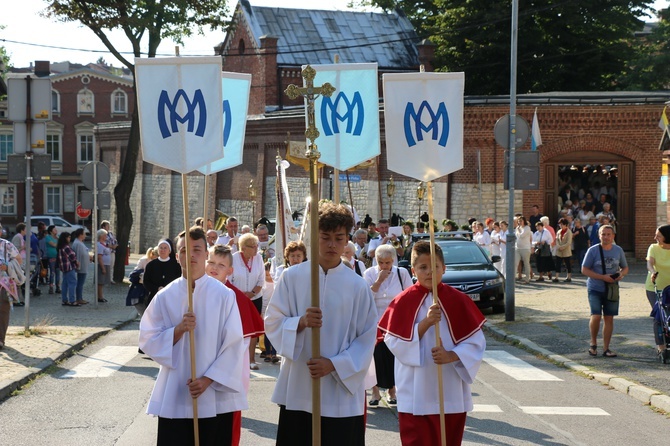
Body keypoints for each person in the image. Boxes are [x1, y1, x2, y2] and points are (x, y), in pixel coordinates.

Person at [264, 202, 377, 446]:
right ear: (315, 236)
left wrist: (334, 364)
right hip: (300, 385)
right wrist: (300, 323)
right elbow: (272, 322)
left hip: (340, 390)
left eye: (339, 238)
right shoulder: (292, 277)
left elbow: (367, 338)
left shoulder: (358, 286)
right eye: (325, 237)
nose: (332, 245)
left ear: (347, 239)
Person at [139, 226, 246, 446]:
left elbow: (235, 344)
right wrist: (178, 330)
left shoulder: (224, 296)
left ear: (206, 255)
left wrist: (208, 379)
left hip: (215, 393)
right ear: (177, 257)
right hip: (176, 392)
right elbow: (148, 339)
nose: (191, 255)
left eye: (197, 249)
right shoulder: (165, 296)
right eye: (185, 250)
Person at [378, 241, 486, 446]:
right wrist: (426, 323)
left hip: (450, 389)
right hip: (416, 389)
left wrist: (452, 356)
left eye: (435, 266)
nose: (429, 272)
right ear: (413, 270)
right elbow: (393, 342)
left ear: (444, 268)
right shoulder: (402, 300)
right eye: (423, 267)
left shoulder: (459, 300)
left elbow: (476, 342)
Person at [205, 243, 265, 446]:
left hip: (227, 376)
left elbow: (240, 345)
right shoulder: (194, 291)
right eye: (211, 262)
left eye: (221, 265)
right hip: (199, 372)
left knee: (225, 430)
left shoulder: (236, 298)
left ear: (230, 271)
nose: (214, 267)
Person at [363, 243, 412, 407]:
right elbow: (365, 298)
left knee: (393, 356)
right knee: (375, 358)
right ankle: (375, 392)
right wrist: (379, 280)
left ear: (393, 261)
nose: (384, 266)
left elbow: (409, 295)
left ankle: (392, 390)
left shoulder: (401, 273)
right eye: (381, 262)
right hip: (375, 321)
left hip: (394, 322)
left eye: (388, 262)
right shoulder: (369, 273)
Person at [582, 225, 628, 358]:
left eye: (609, 234)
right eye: (603, 234)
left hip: (612, 289)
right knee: (596, 315)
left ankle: (606, 348)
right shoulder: (593, 250)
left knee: (609, 318)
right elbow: (584, 270)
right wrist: (603, 277)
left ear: (613, 236)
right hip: (595, 288)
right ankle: (593, 344)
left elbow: (625, 268)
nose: (606, 237)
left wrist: (621, 274)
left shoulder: (618, 250)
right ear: (599, 235)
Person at [230, 233, 265, 371]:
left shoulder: (258, 259)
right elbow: (229, 279)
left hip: (255, 298)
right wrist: (241, 295)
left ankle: (251, 359)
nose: (256, 249)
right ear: (243, 248)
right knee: (237, 329)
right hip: (237, 299)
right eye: (253, 247)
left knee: (254, 330)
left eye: (257, 246)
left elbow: (261, 279)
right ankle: (237, 359)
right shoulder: (233, 259)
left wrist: (252, 293)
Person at [645, 224, 670, 358]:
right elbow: (650, 263)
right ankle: (661, 347)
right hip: (654, 287)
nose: (655, 238)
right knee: (659, 317)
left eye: (658, 236)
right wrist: (653, 271)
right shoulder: (653, 247)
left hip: (669, 288)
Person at [143, 239, 182, 307]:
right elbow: (146, 281)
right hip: (154, 297)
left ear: (169, 250)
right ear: (158, 250)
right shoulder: (151, 265)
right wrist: (157, 288)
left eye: (165, 248)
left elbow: (180, 280)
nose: (162, 250)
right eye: (161, 248)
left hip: (172, 297)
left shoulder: (176, 265)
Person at [0, 234, 22, 349]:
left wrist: (7, 265)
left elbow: (19, 260)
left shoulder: (7, 245)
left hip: (3, 284)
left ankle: (0, 340)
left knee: (3, 311)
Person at [57, 232, 80, 306]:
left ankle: (64, 299)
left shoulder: (60, 247)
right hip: (69, 267)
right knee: (72, 283)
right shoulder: (66, 247)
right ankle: (72, 300)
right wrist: (76, 262)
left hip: (64, 267)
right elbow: (72, 256)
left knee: (65, 284)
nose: (70, 239)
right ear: (65, 238)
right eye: (68, 237)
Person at [71, 228, 90, 305]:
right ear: (80, 235)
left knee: (81, 283)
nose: (85, 235)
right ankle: (79, 298)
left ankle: (80, 298)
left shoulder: (80, 242)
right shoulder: (78, 243)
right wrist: (78, 266)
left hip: (83, 265)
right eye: (84, 234)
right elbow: (78, 255)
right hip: (81, 266)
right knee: (80, 283)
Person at [554, 218, 573, 282]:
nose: (561, 226)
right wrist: (559, 246)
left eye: (562, 224)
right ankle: (556, 277)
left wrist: (563, 247)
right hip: (559, 250)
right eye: (560, 225)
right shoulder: (559, 231)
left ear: (566, 225)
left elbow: (569, 242)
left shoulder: (569, 232)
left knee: (567, 264)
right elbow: (556, 239)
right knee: (558, 264)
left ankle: (569, 277)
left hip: (566, 250)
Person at [514, 216, 532, 284]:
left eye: (521, 221)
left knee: (526, 263)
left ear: (524, 221)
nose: (519, 222)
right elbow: (516, 237)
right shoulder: (517, 228)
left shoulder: (527, 228)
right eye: (518, 221)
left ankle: (527, 279)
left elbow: (521, 236)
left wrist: (518, 230)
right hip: (517, 248)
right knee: (515, 263)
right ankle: (513, 278)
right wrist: (517, 229)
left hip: (525, 248)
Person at [96, 229, 112, 303]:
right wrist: (103, 268)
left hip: (107, 264)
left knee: (102, 282)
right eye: (105, 235)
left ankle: (101, 296)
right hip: (102, 265)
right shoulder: (99, 245)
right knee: (100, 282)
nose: (106, 236)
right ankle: (99, 297)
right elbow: (99, 257)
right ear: (101, 236)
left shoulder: (105, 244)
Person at [45, 225, 60, 294]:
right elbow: (54, 245)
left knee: (58, 272)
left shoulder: (57, 237)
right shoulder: (48, 237)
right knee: (52, 272)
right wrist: (58, 242)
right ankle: (51, 287)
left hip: (58, 256)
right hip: (51, 257)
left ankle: (58, 287)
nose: (56, 230)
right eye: (54, 229)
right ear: (51, 231)